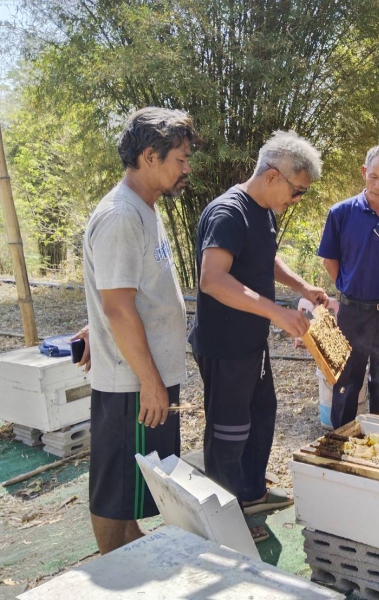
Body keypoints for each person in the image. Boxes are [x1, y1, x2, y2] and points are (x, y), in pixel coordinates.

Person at [188, 131, 327, 521]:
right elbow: (212, 279)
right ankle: (222, 515)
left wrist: (300, 285)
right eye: (297, 191)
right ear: (271, 175)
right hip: (225, 344)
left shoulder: (262, 210)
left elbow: (264, 258)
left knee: (262, 413)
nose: (297, 200)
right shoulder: (228, 212)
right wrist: (277, 312)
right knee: (229, 430)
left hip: (251, 341)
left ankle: (250, 494)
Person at [82, 107, 196, 553]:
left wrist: (92, 325)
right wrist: (150, 382)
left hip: (148, 376)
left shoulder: (145, 209)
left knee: (138, 480)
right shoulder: (121, 216)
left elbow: (120, 290)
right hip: (132, 382)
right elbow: (117, 306)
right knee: (115, 488)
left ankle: (132, 549)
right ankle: (110, 565)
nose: (186, 168)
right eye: (180, 159)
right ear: (150, 156)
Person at [317, 145, 379, 429]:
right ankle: (341, 440)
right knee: (345, 382)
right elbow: (330, 258)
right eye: (373, 177)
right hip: (352, 312)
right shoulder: (341, 213)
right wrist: (347, 285)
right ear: (364, 172)